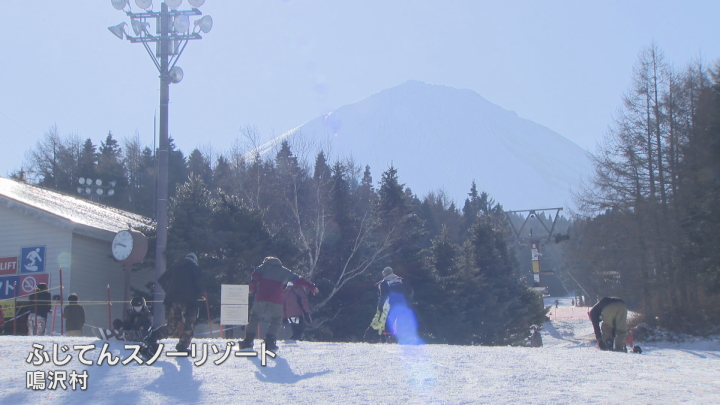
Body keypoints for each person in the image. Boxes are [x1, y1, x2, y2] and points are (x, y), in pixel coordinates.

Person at [239, 257, 318, 351]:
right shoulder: (284, 271)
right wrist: (312, 287)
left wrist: (252, 288)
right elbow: (299, 280)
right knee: (276, 319)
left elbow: (254, 276)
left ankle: (248, 341)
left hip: (261, 297)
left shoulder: (262, 267)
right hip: (276, 299)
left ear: (266, 261)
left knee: (255, 317)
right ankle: (270, 341)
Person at [142, 253, 205, 357]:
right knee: (188, 325)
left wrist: (170, 291)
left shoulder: (175, 266)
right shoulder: (194, 268)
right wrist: (195, 295)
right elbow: (200, 286)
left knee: (171, 325)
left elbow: (162, 280)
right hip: (188, 302)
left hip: (173, 301)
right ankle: (182, 347)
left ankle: (152, 337)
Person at [371, 267, 418, 344]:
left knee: (390, 320)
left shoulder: (384, 283)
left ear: (384, 274)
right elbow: (411, 290)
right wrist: (409, 300)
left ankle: (389, 338)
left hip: (394, 304)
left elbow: (383, 296)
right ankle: (409, 337)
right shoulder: (401, 280)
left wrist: (380, 306)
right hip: (405, 304)